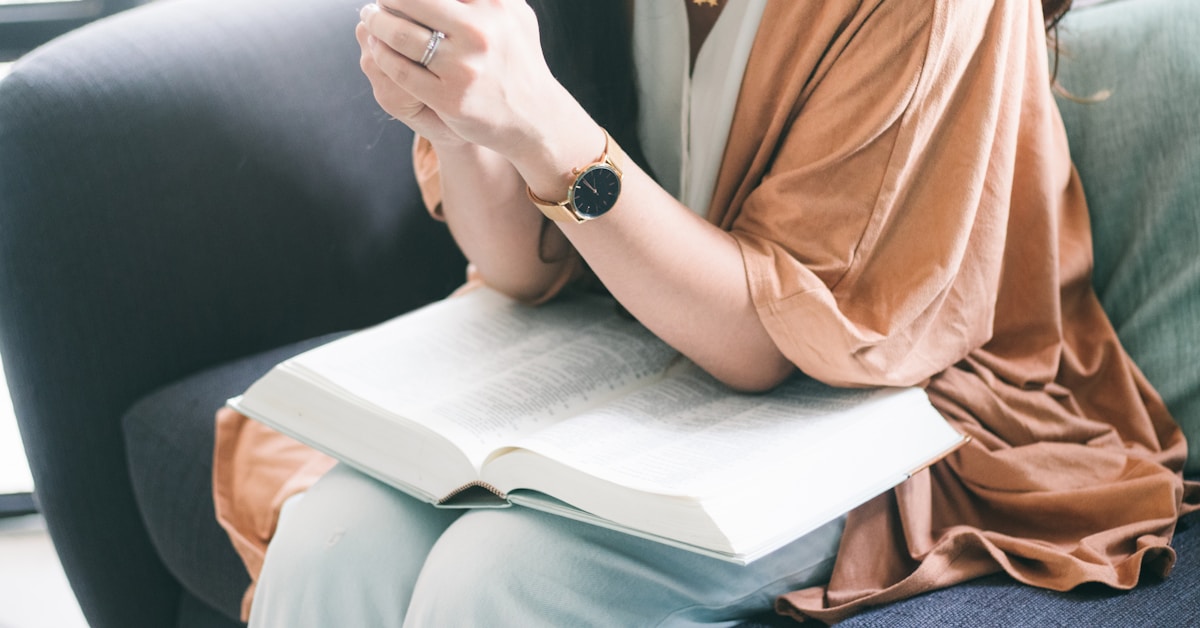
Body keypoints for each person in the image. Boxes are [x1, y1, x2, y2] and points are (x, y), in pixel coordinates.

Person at [212, 0, 1200, 625]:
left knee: (505, 581)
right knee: (331, 537)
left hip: (893, 403)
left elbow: (774, 339)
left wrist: (544, 126)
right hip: (634, 348)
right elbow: (514, 266)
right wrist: (464, 115)